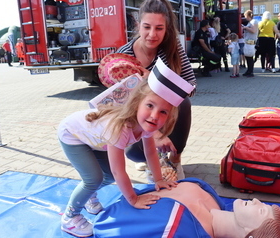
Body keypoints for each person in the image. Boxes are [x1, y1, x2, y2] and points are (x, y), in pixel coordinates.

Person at [58, 59, 195, 237]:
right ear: (137, 103)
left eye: (163, 112)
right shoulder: (120, 129)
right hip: (72, 134)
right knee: (93, 179)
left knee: (103, 177)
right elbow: (119, 171)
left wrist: (159, 180)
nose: (154, 116)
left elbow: (150, 152)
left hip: (94, 139)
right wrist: (133, 198)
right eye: (150, 105)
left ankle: (89, 197)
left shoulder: (146, 126)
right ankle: (70, 218)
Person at [115, 0, 197, 179]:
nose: (152, 34)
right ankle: (152, 158)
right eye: (147, 27)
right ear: (138, 25)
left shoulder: (172, 48)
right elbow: (119, 109)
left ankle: (174, 159)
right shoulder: (123, 57)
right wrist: (156, 135)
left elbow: (191, 85)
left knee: (184, 103)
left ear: (166, 28)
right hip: (137, 124)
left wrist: (156, 82)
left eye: (159, 28)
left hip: (166, 117)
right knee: (134, 152)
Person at [94, 178, 280, 238]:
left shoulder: (181, 229)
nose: (256, 200)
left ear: (250, 233)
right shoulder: (213, 199)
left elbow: (107, 228)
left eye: (261, 210)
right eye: (263, 203)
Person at [242, 10, 259, 78]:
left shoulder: (254, 22)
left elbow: (253, 31)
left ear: (248, 15)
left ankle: (250, 71)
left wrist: (245, 27)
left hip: (251, 41)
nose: (245, 17)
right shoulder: (250, 22)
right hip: (248, 41)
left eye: (245, 16)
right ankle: (248, 70)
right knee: (247, 57)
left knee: (250, 57)